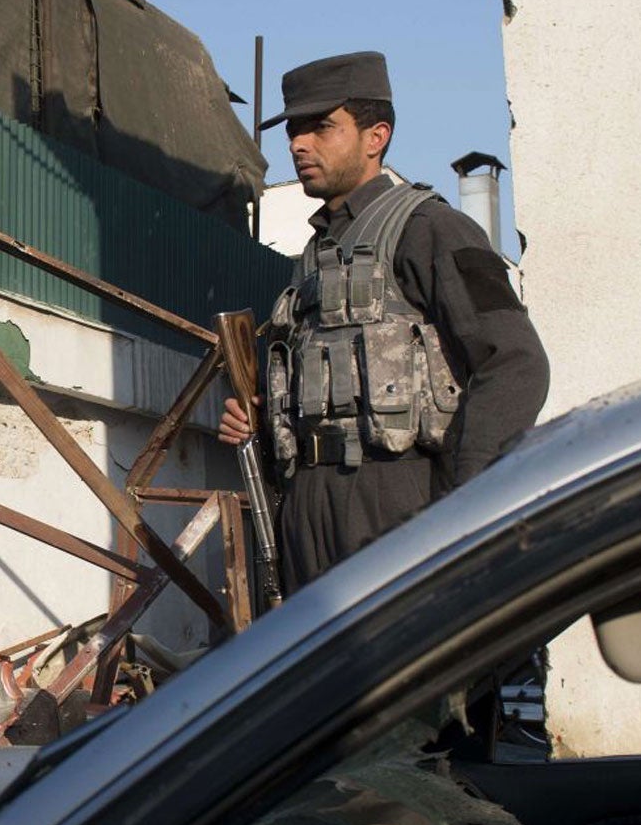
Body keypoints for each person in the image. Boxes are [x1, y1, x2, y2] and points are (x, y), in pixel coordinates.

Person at [220, 51, 548, 591]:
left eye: (321, 127)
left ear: (376, 136)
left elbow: (515, 362)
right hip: (307, 507)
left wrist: (465, 502)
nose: (299, 144)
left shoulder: (432, 230)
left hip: (397, 499)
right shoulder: (311, 257)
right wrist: (259, 417)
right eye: (295, 130)